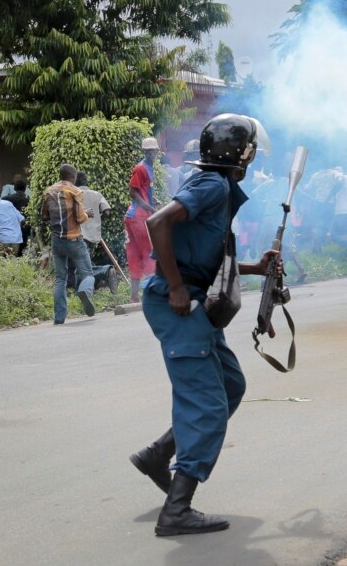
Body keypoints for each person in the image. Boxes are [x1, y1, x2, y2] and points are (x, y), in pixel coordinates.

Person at [129, 113, 278, 537]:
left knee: (230, 386)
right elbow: (157, 223)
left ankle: (158, 454)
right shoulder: (212, 185)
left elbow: (202, 251)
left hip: (196, 301)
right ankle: (177, 509)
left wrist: (253, 267)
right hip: (182, 305)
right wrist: (175, 287)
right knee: (208, 405)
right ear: (244, 155)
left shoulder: (215, 184)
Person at [42, 164, 97, 324]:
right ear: (73, 177)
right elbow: (80, 218)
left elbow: (44, 216)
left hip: (56, 240)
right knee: (87, 273)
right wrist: (87, 214)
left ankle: (59, 317)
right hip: (74, 239)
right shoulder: (75, 191)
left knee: (60, 279)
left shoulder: (49, 191)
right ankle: (84, 291)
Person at [126, 138, 161, 302]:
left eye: (153, 150)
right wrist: (150, 208)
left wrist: (153, 202)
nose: (151, 153)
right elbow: (133, 192)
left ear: (157, 151)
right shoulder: (141, 168)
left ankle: (134, 296)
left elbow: (143, 192)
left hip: (133, 216)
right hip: (139, 216)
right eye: (148, 151)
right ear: (144, 152)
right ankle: (153, 294)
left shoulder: (148, 168)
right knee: (149, 253)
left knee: (134, 255)